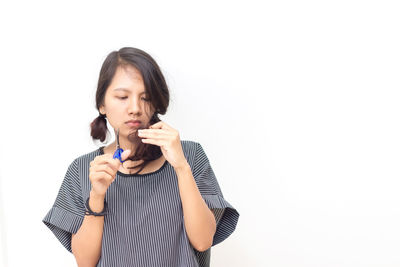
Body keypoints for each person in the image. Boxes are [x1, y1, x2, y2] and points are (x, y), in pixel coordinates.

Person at [42, 47, 239, 267]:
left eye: (145, 97)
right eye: (122, 97)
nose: (135, 108)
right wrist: (96, 195)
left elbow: (203, 241)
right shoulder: (83, 169)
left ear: (155, 104)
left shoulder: (190, 155)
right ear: (102, 105)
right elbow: (85, 261)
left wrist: (182, 167)